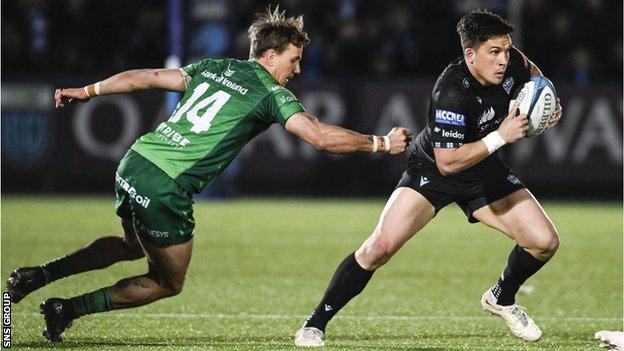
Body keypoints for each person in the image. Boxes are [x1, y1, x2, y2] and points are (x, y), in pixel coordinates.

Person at [6, 7, 412, 343]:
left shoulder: (213, 66)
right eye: (294, 59)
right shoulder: (271, 93)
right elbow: (320, 136)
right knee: (168, 281)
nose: (298, 69)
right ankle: (66, 309)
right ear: (269, 57)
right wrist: (380, 143)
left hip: (136, 161)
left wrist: (88, 90)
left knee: (130, 245)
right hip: (167, 187)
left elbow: (145, 78)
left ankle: (34, 276)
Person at [295, 10, 563, 347]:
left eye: (506, 50)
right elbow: (449, 162)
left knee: (544, 242)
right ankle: (314, 323)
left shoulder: (511, 63)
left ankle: (501, 297)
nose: (503, 60)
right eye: (494, 52)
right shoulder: (451, 91)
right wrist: (502, 137)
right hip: (435, 172)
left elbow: (534, 75)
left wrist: (545, 100)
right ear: (470, 55)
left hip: (483, 170)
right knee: (379, 247)